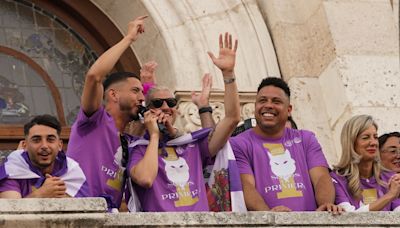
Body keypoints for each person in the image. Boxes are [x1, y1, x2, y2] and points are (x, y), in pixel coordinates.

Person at [127, 32, 241, 211]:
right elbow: (145, 179)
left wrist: (228, 74)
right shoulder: (139, 149)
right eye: (157, 103)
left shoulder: (192, 146)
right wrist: (155, 134)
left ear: (176, 109)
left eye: (171, 102)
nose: (165, 107)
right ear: (146, 110)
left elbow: (232, 118)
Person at [67, 16, 148, 211]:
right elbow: (94, 76)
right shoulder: (95, 119)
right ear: (113, 94)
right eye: (135, 91)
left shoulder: (130, 140)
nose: (142, 98)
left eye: (142, 92)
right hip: (77, 210)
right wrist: (128, 39)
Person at [230, 77, 340, 213]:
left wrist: (326, 205)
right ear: (255, 106)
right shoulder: (239, 143)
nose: (268, 105)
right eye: (262, 100)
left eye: (276, 101)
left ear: (289, 110)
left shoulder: (306, 139)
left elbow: (321, 177)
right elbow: (246, 185)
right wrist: (270, 217)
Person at [0, 115, 88, 198]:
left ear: (60, 145)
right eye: (36, 140)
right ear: (24, 145)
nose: (44, 146)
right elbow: (8, 212)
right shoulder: (11, 170)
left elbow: (88, 209)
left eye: (50, 139)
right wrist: (41, 194)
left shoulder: (72, 172)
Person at [331, 115, 400, 211]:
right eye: (365, 137)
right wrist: (390, 195)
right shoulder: (337, 178)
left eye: (375, 137)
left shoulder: (389, 177)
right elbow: (350, 218)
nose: (373, 143)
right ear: (351, 143)